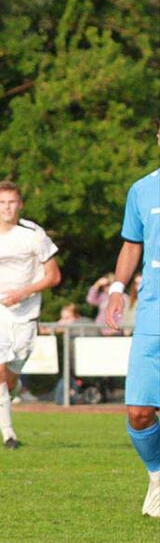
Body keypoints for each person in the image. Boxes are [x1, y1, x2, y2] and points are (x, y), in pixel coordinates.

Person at [0, 180, 61, 449]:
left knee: (11, 375)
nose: (7, 208)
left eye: (12, 202)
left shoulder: (34, 235)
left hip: (25, 313)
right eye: (2, 203)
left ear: (20, 205)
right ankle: (9, 436)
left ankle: (2, 403)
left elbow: (54, 276)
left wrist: (24, 292)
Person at [104, 129, 159, 518]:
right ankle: (157, 475)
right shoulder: (141, 189)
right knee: (139, 410)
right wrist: (118, 287)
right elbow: (131, 243)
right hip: (153, 313)